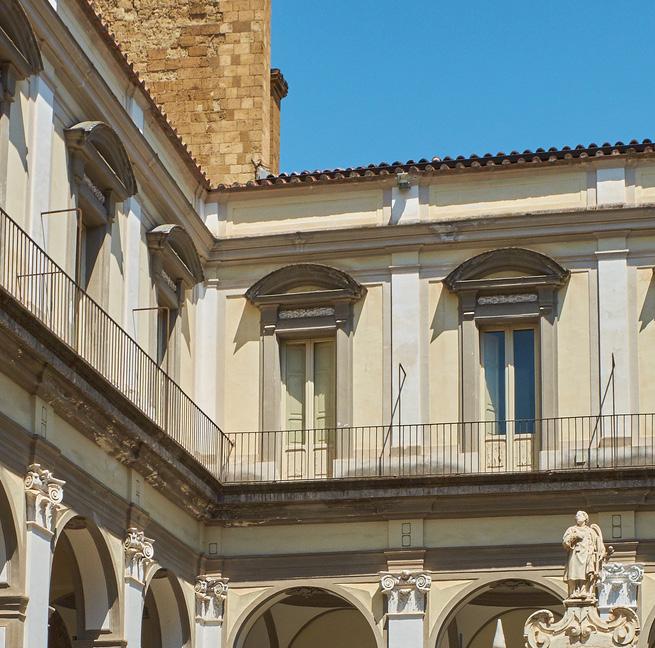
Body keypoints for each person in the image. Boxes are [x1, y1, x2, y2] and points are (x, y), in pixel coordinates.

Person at [562, 510, 606, 601]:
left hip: (587, 555)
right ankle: (573, 592)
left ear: (585, 518)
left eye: (579, 515)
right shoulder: (571, 529)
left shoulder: (590, 531)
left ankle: (583, 590)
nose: (577, 517)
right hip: (575, 554)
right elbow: (565, 542)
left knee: (585, 573)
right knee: (573, 572)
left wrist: (602, 551)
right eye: (576, 515)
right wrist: (574, 536)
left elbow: (598, 543)